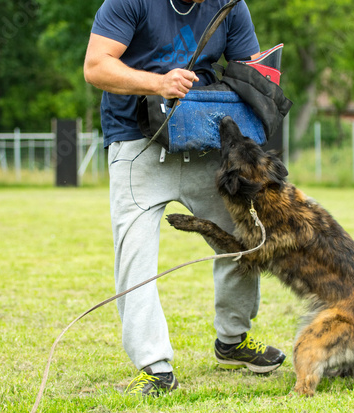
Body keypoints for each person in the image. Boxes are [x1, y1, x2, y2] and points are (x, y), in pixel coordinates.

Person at [83, 0, 285, 396]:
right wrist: (157, 83)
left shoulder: (230, 6)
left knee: (241, 243)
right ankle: (154, 365)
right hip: (136, 142)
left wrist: (265, 79)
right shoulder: (128, 2)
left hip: (204, 142)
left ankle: (233, 340)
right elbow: (96, 66)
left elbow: (248, 73)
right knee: (136, 257)